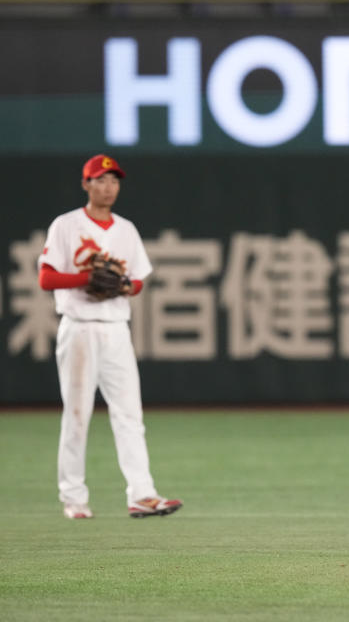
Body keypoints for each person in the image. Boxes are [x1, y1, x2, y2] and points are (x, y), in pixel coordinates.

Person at [38, 154, 182, 520]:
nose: (108, 187)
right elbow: (47, 278)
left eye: (114, 180)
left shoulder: (125, 229)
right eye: (100, 180)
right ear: (86, 184)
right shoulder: (66, 225)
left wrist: (120, 286)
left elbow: (137, 280)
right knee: (77, 415)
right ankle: (73, 498)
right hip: (79, 327)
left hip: (116, 329)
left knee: (130, 414)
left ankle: (142, 494)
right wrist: (86, 279)